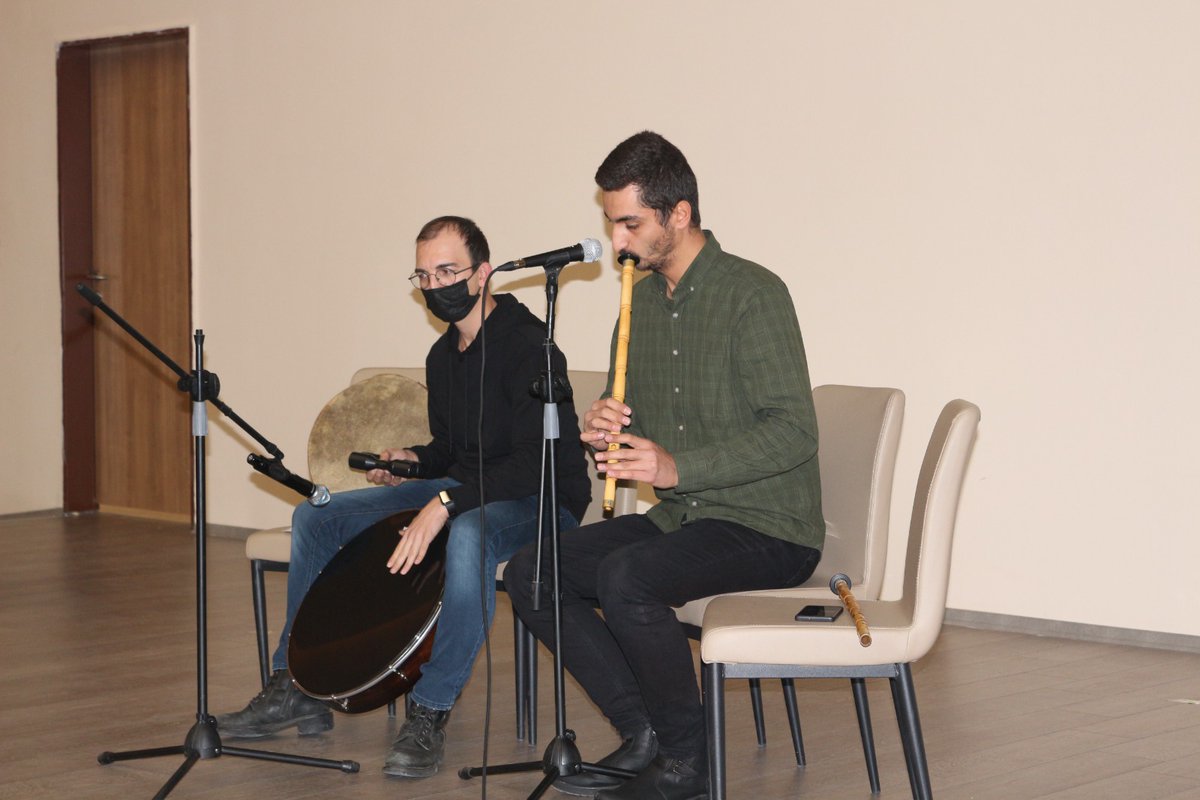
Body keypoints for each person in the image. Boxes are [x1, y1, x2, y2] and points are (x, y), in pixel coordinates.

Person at [504, 131, 824, 800]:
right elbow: (640, 428)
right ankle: (645, 732)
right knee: (534, 571)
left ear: (678, 214)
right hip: (687, 519)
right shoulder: (641, 304)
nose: (617, 242)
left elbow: (794, 432)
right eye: (611, 223)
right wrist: (605, 428)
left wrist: (676, 467)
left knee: (627, 578)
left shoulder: (753, 294)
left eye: (630, 224)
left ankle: (687, 764)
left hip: (769, 527)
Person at [217, 215, 592, 779]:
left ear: (483, 273)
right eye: (424, 275)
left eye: (447, 271)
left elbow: (531, 463)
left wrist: (443, 506)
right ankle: (296, 687)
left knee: (468, 534)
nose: (434, 285)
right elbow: (451, 452)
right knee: (315, 517)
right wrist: (410, 461)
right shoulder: (443, 357)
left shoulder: (530, 348)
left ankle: (430, 710)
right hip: (467, 489)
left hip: (540, 498)